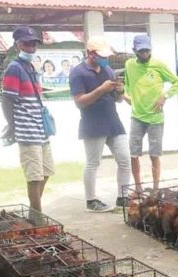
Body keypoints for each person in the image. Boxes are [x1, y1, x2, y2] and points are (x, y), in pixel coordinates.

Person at [69, 36, 131, 212]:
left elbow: (117, 100)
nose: (106, 59)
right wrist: (101, 90)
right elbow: (79, 102)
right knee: (93, 163)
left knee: (125, 159)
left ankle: (123, 197)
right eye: (102, 56)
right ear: (91, 54)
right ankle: (91, 200)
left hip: (113, 121)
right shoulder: (78, 73)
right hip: (93, 123)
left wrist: (120, 91)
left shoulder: (109, 71)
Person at [1, 26, 54, 213]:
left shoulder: (30, 66)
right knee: (35, 176)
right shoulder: (14, 68)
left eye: (33, 45)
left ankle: (34, 211)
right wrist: (12, 126)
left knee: (46, 171)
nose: (31, 48)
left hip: (40, 129)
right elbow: (7, 100)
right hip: (27, 130)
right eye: (27, 44)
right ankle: (37, 218)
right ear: (18, 45)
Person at [124, 34, 178, 191]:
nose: (144, 54)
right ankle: (138, 187)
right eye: (141, 51)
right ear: (134, 50)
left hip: (155, 118)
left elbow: (177, 82)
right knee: (134, 154)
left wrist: (165, 96)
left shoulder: (158, 65)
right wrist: (127, 96)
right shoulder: (129, 65)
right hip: (137, 116)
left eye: (147, 51)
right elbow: (127, 85)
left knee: (154, 154)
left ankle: (156, 188)